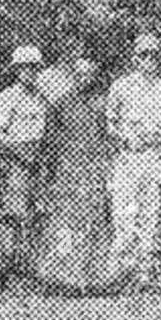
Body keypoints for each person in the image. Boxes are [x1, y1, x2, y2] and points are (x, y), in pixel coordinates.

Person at [36, 57, 114, 295]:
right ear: (72, 75)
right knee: (65, 225)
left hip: (92, 171)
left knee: (93, 223)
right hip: (67, 171)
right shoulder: (60, 104)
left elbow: (107, 139)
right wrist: (48, 176)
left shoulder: (101, 103)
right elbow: (48, 142)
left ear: (94, 76)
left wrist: (104, 168)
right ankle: (62, 278)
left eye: (89, 73)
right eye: (79, 73)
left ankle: (93, 279)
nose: (84, 78)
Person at [105, 34, 161, 288]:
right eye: (145, 55)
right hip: (129, 158)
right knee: (124, 215)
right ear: (135, 58)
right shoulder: (121, 86)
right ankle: (120, 273)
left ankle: (145, 273)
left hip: (154, 157)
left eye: (154, 56)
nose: (150, 61)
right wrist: (124, 138)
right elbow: (110, 123)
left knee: (151, 215)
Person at [0, 46, 49, 283]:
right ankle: (11, 271)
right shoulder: (7, 97)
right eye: (25, 68)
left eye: (34, 68)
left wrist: (40, 156)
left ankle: (30, 269)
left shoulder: (41, 97)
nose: (30, 73)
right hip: (15, 163)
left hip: (37, 162)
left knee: (35, 217)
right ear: (16, 70)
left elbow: (45, 132)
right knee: (15, 217)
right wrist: (21, 155)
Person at [37, 37, 85, 105]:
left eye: (78, 51)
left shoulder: (79, 73)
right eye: (71, 49)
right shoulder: (46, 76)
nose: (75, 54)